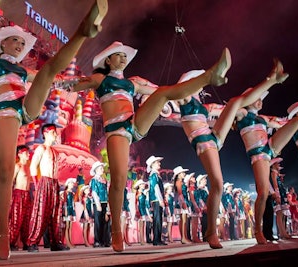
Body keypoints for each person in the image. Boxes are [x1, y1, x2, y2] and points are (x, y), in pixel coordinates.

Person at [0, 0, 108, 260]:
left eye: (22, 44)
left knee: (47, 71)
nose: (20, 46)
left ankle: (83, 31)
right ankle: (3, 233)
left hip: (25, 109)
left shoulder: (23, 70)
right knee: (5, 172)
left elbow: (54, 78)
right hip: (6, 115)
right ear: (3, 43)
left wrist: (78, 84)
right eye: (16, 41)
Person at [71, 40, 232, 251]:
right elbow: (75, 83)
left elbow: (162, 90)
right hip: (116, 130)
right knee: (118, 180)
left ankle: (209, 76)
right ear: (108, 60)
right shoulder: (100, 79)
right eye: (118, 55)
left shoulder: (132, 84)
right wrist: (55, 82)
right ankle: (116, 232)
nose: (123, 59)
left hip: (135, 124)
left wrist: (182, 90)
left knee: (163, 92)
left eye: (125, 55)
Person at [175, 58, 289, 248]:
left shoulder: (206, 107)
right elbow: (163, 93)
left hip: (214, 137)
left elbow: (236, 106)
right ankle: (211, 231)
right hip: (203, 143)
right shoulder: (184, 98)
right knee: (218, 184)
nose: (201, 87)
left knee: (236, 102)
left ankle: (272, 79)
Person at [234, 68, 298, 244]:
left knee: (297, 121)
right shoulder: (242, 115)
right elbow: (223, 111)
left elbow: (281, 123)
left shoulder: (263, 119)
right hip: (258, 155)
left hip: (270, 148)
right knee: (263, 193)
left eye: (260, 99)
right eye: (256, 98)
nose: (259, 101)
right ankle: (258, 230)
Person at [27, 123, 69, 252]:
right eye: (53, 132)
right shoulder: (41, 148)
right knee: (41, 212)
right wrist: (37, 183)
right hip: (44, 182)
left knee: (56, 214)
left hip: (54, 183)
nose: (56, 134)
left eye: (55, 132)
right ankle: (32, 242)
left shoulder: (55, 151)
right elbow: (33, 167)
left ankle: (56, 242)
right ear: (45, 134)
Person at [9, 145, 32, 251]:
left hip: (27, 195)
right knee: (16, 219)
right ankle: (11, 242)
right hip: (18, 194)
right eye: (26, 152)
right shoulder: (17, 166)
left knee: (26, 220)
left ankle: (26, 242)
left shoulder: (28, 167)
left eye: (28, 152)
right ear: (20, 154)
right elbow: (10, 182)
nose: (28, 154)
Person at [146, 156, 166, 246]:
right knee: (157, 219)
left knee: (159, 219)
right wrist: (160, 199)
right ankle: (156, 239)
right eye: (158, 162)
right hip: (156, 199)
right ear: (153, 164)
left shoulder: (156, 174)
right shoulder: (153, 175)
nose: (159, 163)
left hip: (157, 199)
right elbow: (156, 188)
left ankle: (158, 238)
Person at [89, 161, 110, 248]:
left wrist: (108, 205)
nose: (102, 169)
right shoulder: (94, 180)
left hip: (104, 202)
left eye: (102, 168)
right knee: (98, 222)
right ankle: (97, 241)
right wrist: (98, 204)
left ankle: (105, 240)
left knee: (105, 222)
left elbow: (107, 193)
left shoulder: (103, 180)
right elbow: (94, 192)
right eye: (101, 168)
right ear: (96, 170)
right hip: (98, 203)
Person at [173, 165, 191, 244]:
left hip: (182, 201)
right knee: (183, 221)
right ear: (179, 174)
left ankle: (184, 237)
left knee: (183, 220)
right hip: (181, 202)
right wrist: (183, 203)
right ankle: (183, 237)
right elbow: (180, 193)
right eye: (183, 172)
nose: (184, 174)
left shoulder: (181, 182)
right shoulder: (178, 182)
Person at [134, 179, 150, 245]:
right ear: (139, 185)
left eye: (143, 184)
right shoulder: (138, 193)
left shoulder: (143, 192)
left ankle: (143, 240)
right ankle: (141, 240)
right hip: (140, 210)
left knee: (143, 225)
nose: (144, 185)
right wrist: (137, 210)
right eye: (142, 184)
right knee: (141, 226)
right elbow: (136, 203)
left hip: (143, 209)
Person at [63, 177, 77, 248]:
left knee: (70, 226)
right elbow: (65, 202)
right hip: (67, 210)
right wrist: (65, 210)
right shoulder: (66, 192)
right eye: (71, 183)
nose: (72, 184)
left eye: (73, 183)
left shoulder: (72, 193)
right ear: (68, 184)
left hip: (71, 210)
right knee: (67, 226)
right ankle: (67, 242)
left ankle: (70, 241)